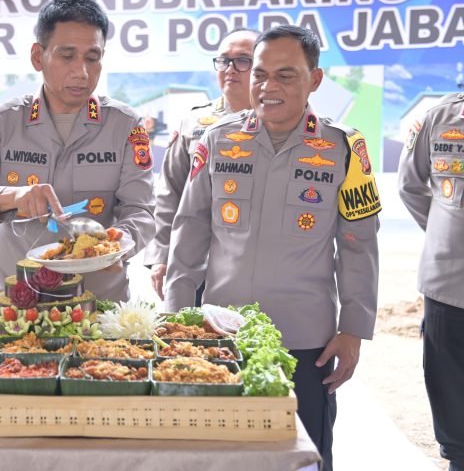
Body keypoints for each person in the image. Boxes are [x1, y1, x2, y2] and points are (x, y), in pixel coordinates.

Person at [166, 25, 380, 470]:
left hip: (307, 342)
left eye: (286, 75)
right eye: (260, 74)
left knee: (303, 459)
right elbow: (189, 230)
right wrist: (176, 316)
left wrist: (354, 329)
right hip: (223, 336)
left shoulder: (344, 148)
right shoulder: (217, 139)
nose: (268, 87)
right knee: (218, 456)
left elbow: (358, 244)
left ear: (315, 80)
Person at [0, 0, 154, 301]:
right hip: (20, 306)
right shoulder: (3, 121)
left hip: (100, 306)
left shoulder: (126, 126)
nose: (82, 71)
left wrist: (120, 242)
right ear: (38, 56)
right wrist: (10, 197)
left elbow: (141, 211)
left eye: (92, 57)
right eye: (67, 56)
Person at [145, 27, 259, 302]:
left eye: (243, 60)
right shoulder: (193, 122)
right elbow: (169, 192)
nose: (230, 69)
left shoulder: (278, 123)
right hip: (196, 265)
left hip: (256, 266)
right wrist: (162, 256)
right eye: (223, 60)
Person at [398, 92, 464, 471]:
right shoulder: (440, 116)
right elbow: (410, 186)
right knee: (451, 394)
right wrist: (444, 232)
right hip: (449, 285)